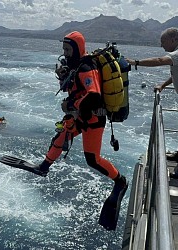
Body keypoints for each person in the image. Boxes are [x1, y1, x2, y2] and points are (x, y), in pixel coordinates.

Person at [33, 31, 128, 194]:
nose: (65, 53)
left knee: (93, 160)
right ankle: (44, 167)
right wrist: (63, 78)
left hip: (93, 119)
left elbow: (94, 96)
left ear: (77, 49)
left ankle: (120, 181)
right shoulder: (75, 66)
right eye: (64, 50)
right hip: (79, 116)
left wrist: (71, 104)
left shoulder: (85, 67)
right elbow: (75, 88)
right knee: (60, 136)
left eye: (68, 50)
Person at [127, 27, 178, 179]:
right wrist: (163, 85)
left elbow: (160, 61)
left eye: (163, 41)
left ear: (173, 40)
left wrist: (135, 62)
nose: (161, 45)